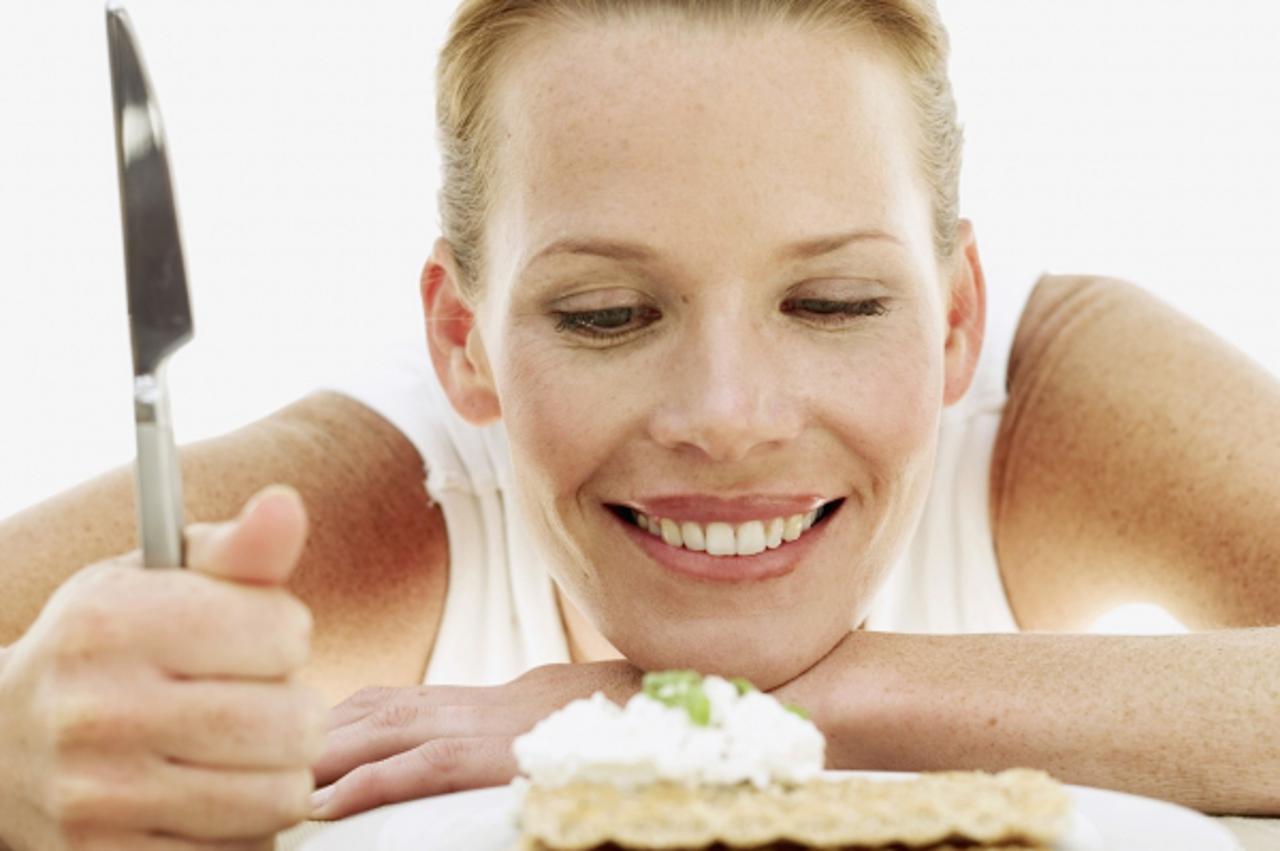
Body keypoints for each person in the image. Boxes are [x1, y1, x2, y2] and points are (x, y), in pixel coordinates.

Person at [2, 0, 1279, 847]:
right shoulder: (395, 503)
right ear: (464, 338)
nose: (727, 416)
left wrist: (691, 719)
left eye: (831, 301)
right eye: (607, 314)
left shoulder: (1053, 398)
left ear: (952, 317)